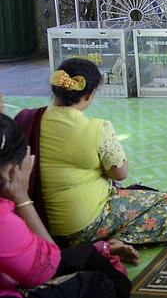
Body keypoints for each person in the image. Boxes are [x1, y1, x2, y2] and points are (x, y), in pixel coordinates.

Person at [38, 59, 167, 247]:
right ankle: (115, 243)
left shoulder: (30, 119)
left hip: (42, 225)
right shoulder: (97, 128)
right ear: (90, 94)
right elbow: (119, 174)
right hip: (84, 225)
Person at [0, 111, 135, 298]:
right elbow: (45, 268)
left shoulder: (30, 117)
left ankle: (102, 247)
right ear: (11, 171)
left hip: (59, 234)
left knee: (88, 254)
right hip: (20, 284)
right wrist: (22, 198)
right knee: (99, 284)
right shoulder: (4, 221)